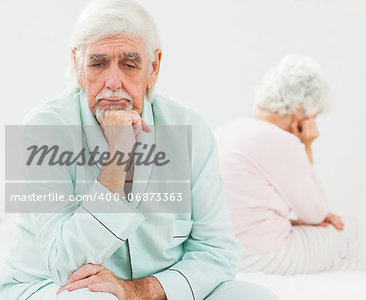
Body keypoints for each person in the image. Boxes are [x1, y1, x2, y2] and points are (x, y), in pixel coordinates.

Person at [0, 1, 277, 299]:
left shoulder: (191, 129)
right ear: (78, 66)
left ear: (153, 68)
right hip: (57, 287)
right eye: (98, 63)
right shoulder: (44, 128)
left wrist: (141, 291)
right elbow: (65, 264)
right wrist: (117, 158)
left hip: (157, 290)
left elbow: (217, 252)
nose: (113, 82)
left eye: (129, 64)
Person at [215, 55, 361, 275]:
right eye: (315, 116)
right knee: (350, 229)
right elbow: (315, 214)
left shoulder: (227, 130)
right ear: (301, 111)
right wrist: (307, 145)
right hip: (259, 257)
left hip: (220, 255)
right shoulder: (281, 141)